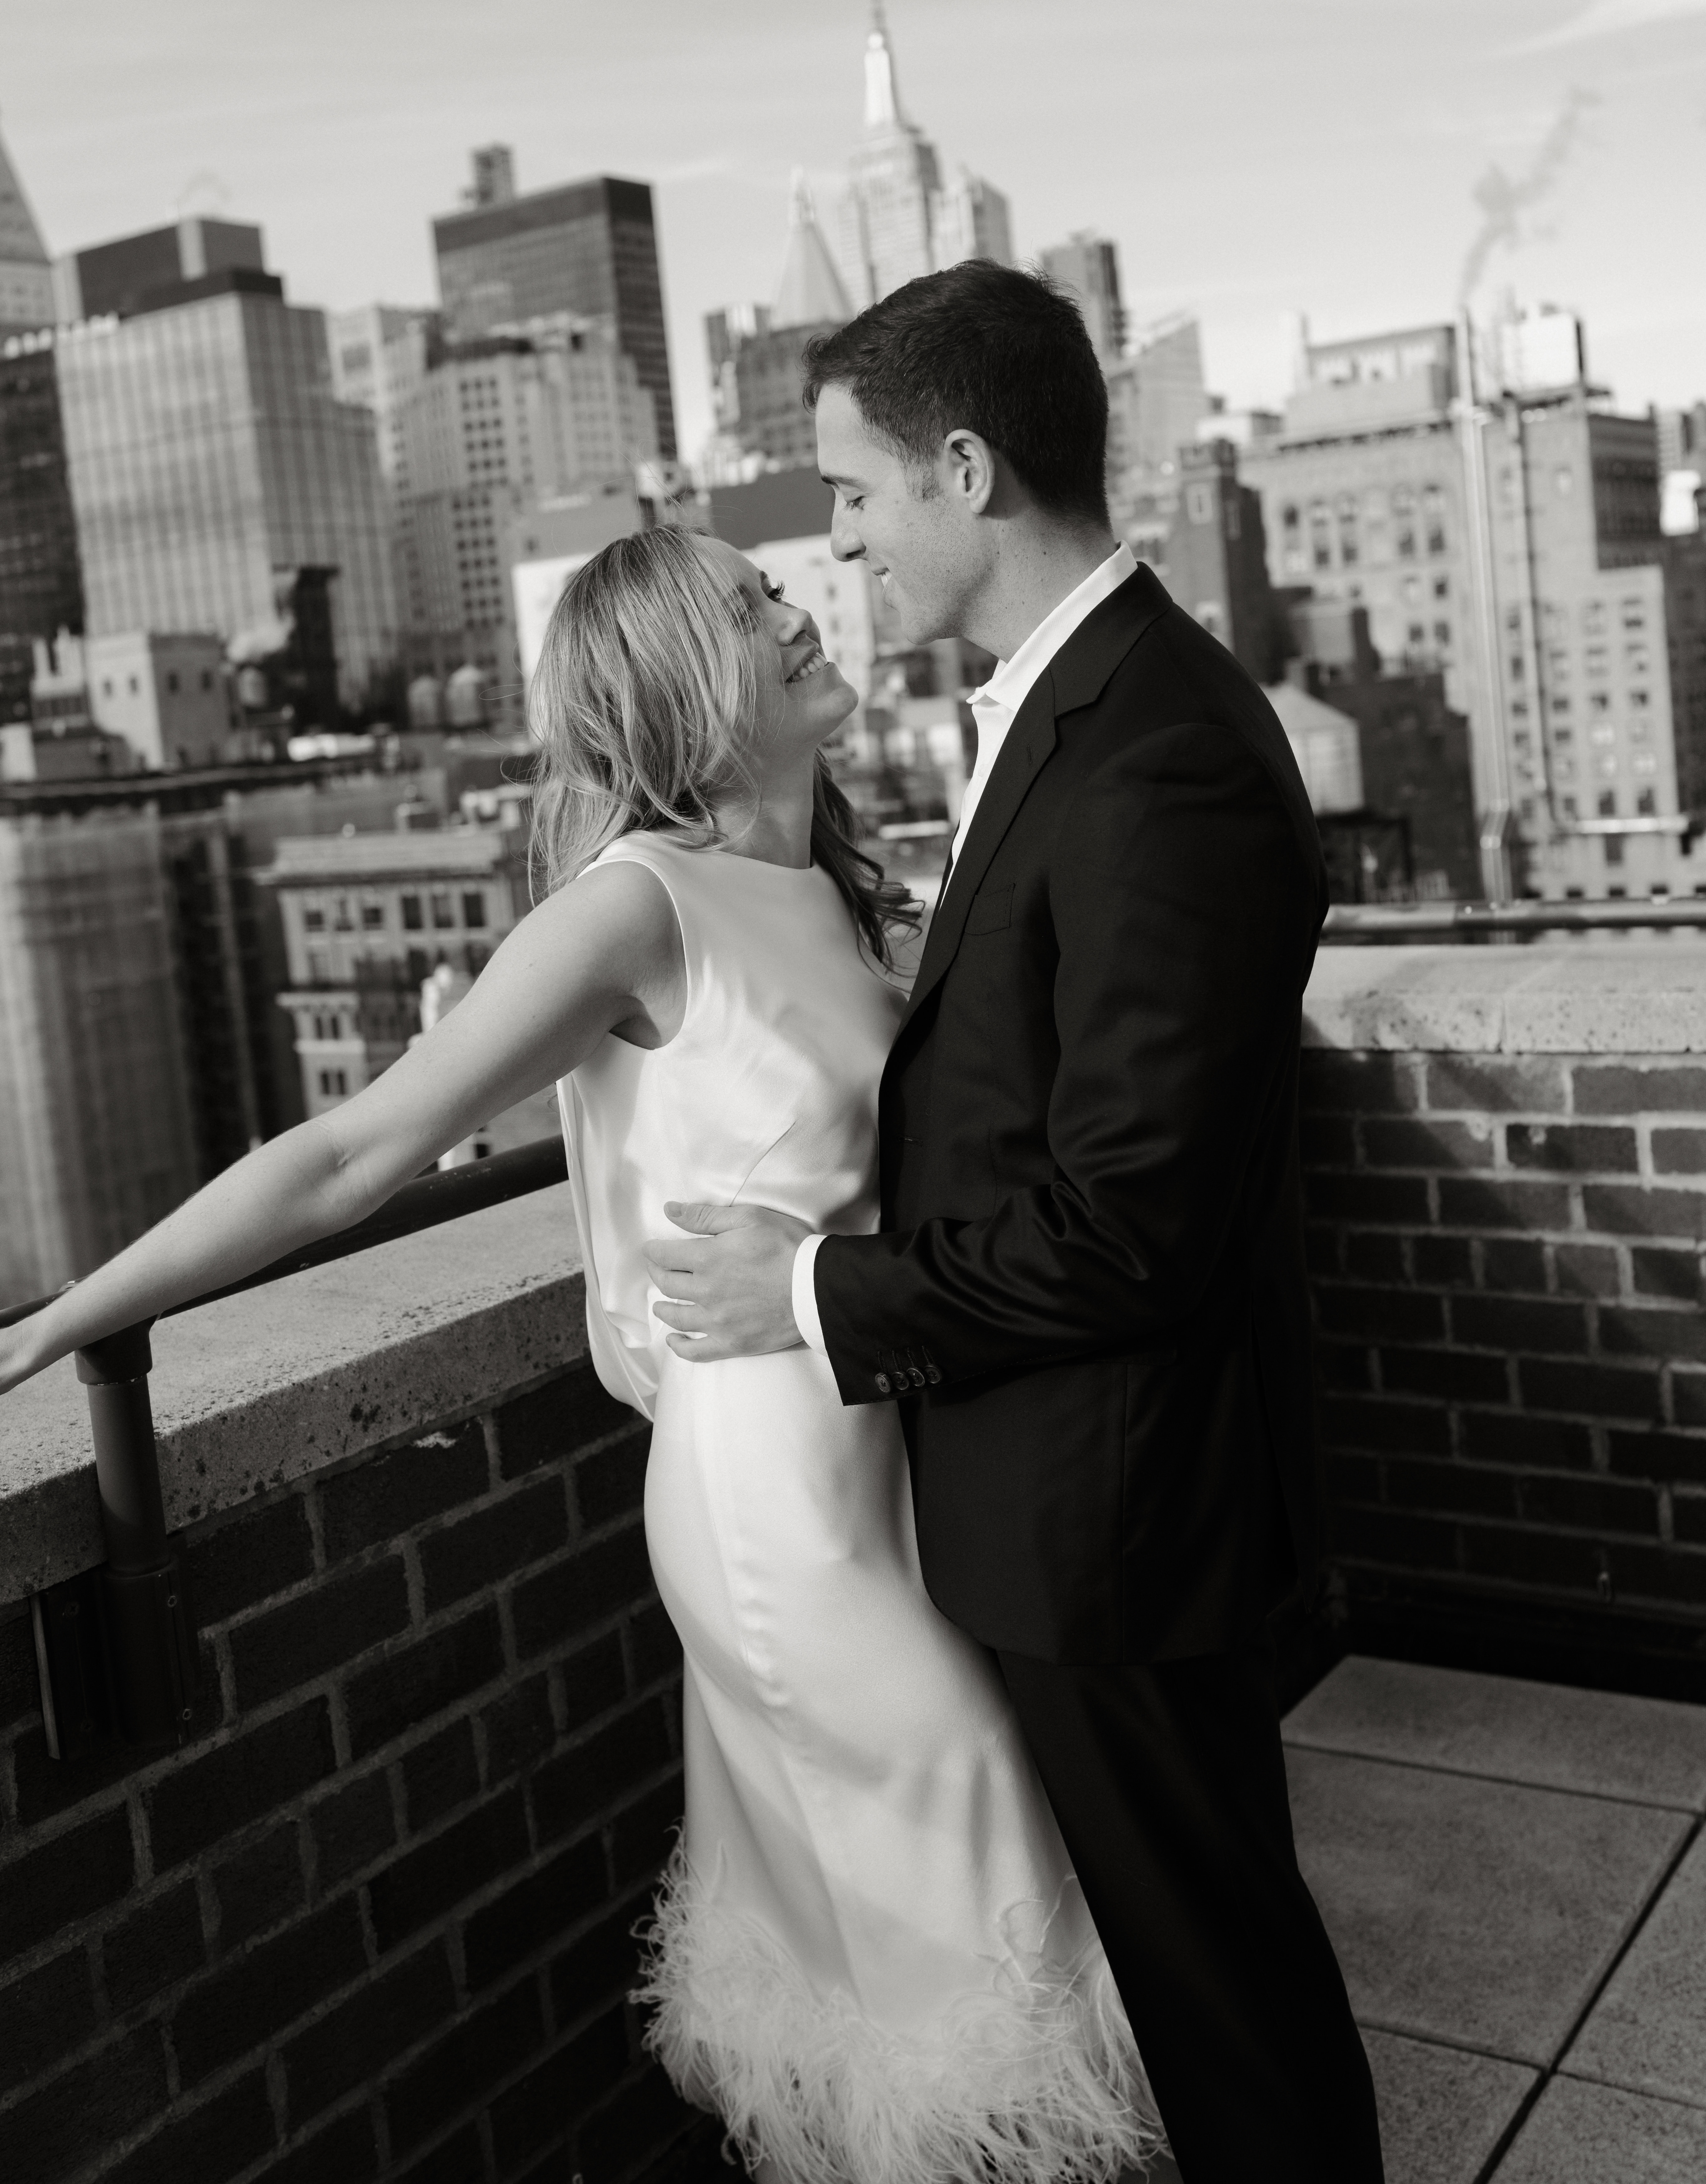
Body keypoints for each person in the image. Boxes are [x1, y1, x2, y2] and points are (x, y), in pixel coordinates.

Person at [0, 523, 1161, 2184]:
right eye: (755, 607)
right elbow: (350, 1156)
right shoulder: (633, 907)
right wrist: (62, 1319)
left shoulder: (830, 885)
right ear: (684, 681)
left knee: (935, 1910)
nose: (799, 610)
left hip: (890, 1441)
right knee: (960, 1904)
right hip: (783, 1506)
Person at [644, 261, 1385, 2183]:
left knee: (1222, 1989)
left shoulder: (1156, 753)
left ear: (963, 470)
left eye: (859, 494)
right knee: (1187, 1964)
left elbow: (1129, 1223)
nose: (839, 539)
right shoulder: (1075, 707)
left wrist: (812, 1287)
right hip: (1069, 1494)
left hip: (1122, 1514)